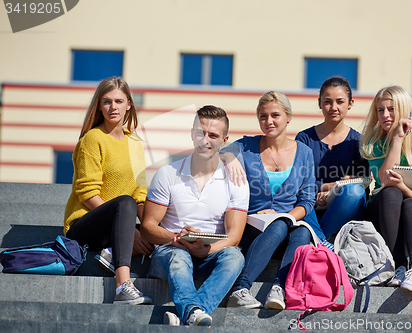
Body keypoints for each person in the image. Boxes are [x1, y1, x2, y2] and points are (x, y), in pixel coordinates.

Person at [140, 105, 250, 326]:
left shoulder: (236, 179)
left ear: (224, 139)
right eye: (200, 133)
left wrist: (205, 248)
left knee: (235, 257)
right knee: (179, 257)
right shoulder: (167, 174)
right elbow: (147, 227)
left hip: (210, 252)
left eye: (213, 135)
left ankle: (187, 314)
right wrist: (176, 238)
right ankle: (193, 312)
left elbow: (234, 237)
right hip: (170, 251)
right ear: (192, 134)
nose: (205, 140)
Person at [222, 91, 316, 310]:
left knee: (300, 231)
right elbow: (216, 150)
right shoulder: (246, 146)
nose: (268, 121)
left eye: (275, 115)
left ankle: (279, 288)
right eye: (263, 116)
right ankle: (240, 288)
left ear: (288, 117)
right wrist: (229, 157)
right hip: (252, 227)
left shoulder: (304, 152)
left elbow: (307, 201)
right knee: (282, 225)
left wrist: (287, 217)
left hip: (287, 226)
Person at [64, 77, 152, 305]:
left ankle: (113, 250)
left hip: (118, 223)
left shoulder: (135, 142)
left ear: (129, 104)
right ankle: (123, 286)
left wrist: (148, 230)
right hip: (84, 227)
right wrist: (127, 231)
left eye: (119, 101)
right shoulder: (93, 139)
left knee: (155, 230)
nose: (113, 107)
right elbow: (87, 193)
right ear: (99, 106)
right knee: (124, 203)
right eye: (107, 102)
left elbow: (140, 194)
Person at [360, 85, 412, 293]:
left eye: (391, 109)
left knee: (411, 204)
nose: (385, 115)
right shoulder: (374, 143)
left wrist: (402, 186)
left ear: (405, 110)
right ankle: (397, 266)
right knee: (391, 192)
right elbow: (384, 180)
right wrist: (397, 138)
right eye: (380, 110)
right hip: (383, 211)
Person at [296, 76, 370, 244]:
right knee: (295, 193)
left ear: (350, 103)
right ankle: (322, 241)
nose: (333, 107)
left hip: (346, 207)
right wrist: (324, 188)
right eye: (328, 101)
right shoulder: (304, 139)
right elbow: (298, 181)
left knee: (354, 192)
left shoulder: (358, 141)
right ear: (319, 103)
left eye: (340, 101)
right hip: (311, 208)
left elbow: (363, 186)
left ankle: (317, 239)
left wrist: (335, 191)